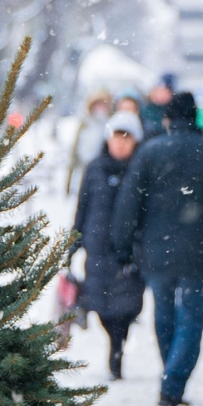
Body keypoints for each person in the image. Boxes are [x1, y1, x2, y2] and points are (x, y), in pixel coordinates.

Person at [111, 92, 203, 406]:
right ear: (194, 118)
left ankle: (170, 374)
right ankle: (174, 380)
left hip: (157, 251)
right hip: (198, 250)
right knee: (192, 319)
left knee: (164, 315)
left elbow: (129, 204)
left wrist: (124, 245)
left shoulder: (149, 153)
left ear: (167, 119)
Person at [71, 110, 147, 381]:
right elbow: (82, 207)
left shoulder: (141, 169)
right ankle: (114, 345)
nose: (121, 143)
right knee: (101, 307)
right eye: (117, 137)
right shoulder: (94, 168)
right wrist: (73, 242)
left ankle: (117, 350)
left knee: (126, 308)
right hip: (98, 249)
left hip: (129, 251)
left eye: (127, 138)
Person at [66, 89, 113, 195]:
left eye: (103, 105)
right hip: (83, 168)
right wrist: (68, 182)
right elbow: (75, 149)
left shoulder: (110, 125)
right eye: (97, 105)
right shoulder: (85, 124)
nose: (100, 109)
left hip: (102, 171)